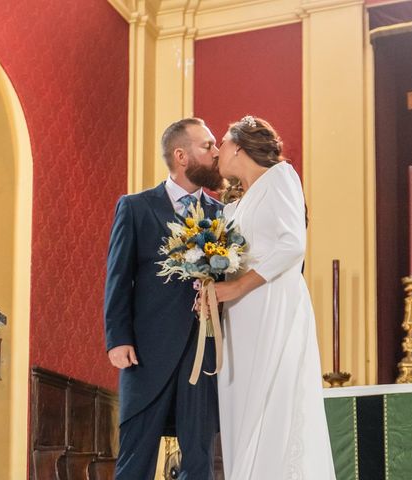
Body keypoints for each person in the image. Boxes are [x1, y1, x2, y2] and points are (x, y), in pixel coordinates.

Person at [213, 115, 336, 479]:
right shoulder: (235, 203)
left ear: (236, 146)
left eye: (221, 142)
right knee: (241, 407)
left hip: (271, 304)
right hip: (239, 318)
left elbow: (292, 245)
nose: (217, 150)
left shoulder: (281, 177)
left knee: (274, 404)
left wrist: (235, 287)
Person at [104, 118, 224, 480]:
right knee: (135, 456)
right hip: (146, 352)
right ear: (181, 155)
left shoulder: (223, 215)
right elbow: (118, 277)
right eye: (208, 146)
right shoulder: (136, 208)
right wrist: (118, 337)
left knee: (199, 458)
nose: (216, 152)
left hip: (204, 353)